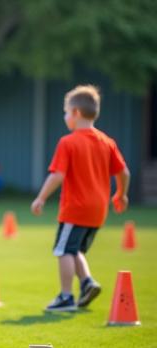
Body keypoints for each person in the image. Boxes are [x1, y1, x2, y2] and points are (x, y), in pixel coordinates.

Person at [31, 85, 130, 312]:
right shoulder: (107, 141)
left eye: (66, 112)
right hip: (98, 210)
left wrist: (41, 198)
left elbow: (57, 175)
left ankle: (66, 296)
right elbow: (124, 172)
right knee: (76, 250)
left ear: (75, 113)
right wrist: (121, 194)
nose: (65, 117)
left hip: (75, 208)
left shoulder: (68, 142)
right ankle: (87, 283)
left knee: (63, 250)